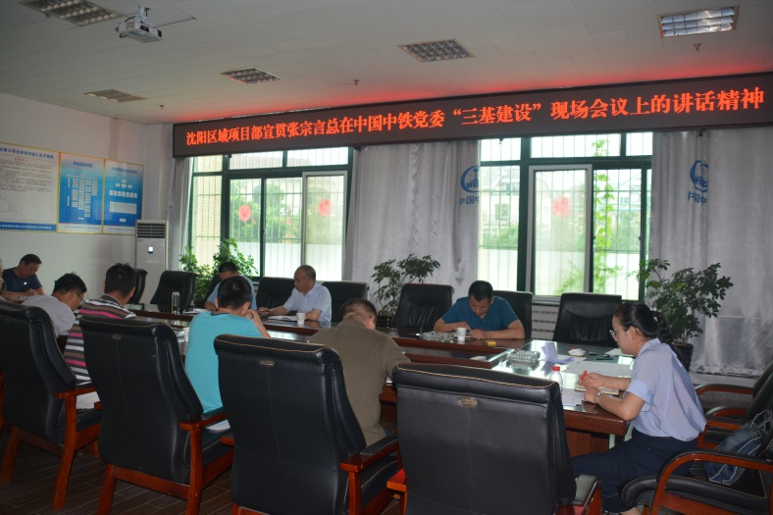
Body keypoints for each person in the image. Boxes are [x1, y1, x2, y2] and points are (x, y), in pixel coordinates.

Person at [571, 302, 706, 515]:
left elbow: (627, 411)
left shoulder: (651, 358)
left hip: (662, 454)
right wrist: (605, 380)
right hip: (669, 448)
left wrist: (597, 396)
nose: (615, 338)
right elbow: (644, 385)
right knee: (608, 479)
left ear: (632, 332)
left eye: (616, 332)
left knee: (574, 467)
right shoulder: (658, 350)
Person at [309, 298, 409, 445]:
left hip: (316, 437)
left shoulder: (318, 337)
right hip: (360, 443)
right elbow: (407, 376)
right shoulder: (382, 340)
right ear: (371, 319)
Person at [185, 275, 270, 413]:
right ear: (246, 306)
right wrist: (259, 325)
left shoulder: (197, 320)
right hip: (219, 412)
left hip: (189, 407)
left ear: (216, 302)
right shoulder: (245, 325)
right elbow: (274, 355)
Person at [63, 263, 137, 409]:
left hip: (69, 390)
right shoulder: (127, 318)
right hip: (91, 394)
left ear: (104, 285)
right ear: (132, 291)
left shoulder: (85, 307)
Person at [434, 280, 525, 339]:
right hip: (466, 353)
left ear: (491, 301)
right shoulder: (461, 305)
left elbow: (520, 333)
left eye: (482, 307)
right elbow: (437, 327)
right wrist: (453, 326)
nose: (477, 310)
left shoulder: (501, 305)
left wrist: (486, 334)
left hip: (494, 352)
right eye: (473, 306)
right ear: (469, 299)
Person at [258, 265, 332, 325]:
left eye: (298, 281)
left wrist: (295, 317)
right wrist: (268, 311)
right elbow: (285, 309)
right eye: (294, 280)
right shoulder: (296, 291)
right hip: (302, 327)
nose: (295, 284)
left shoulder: (322, 292)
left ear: (310, 281)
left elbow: (314, 316)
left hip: (321, 330)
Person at [22, 272, 87, 337]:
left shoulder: (32, 298)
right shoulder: (62, 308)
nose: (78, 304)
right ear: (72, 294)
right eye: (80, 300)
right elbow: (81, 336)